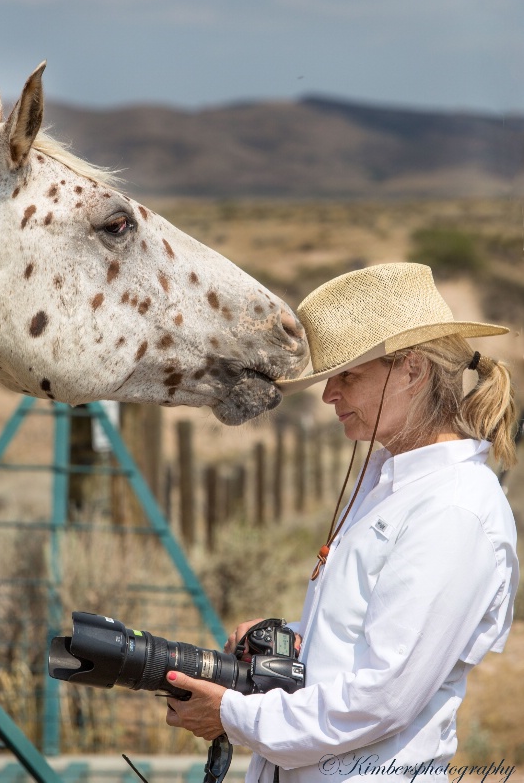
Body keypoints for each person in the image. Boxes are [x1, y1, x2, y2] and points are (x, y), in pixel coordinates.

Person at [164, 263, 519, 782]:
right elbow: (367, 644)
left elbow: (382, 696)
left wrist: (232, 715)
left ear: (412, 371)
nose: (329, 394)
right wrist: (290, 636)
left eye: (348, 375)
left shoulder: (453, 511)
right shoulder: (394, 485)